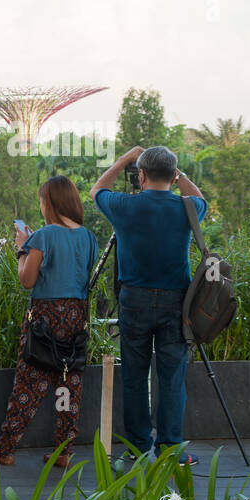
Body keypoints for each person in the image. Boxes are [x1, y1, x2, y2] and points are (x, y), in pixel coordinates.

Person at [90, 145, 208, 466]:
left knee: (134, 375)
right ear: (173, 175)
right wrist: (178, 174)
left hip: (135, 300)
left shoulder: (124, 205)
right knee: (171, 376)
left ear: (140, 175)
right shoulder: (187, 207)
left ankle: (138, 446)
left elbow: (97, 189)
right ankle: (170, 448)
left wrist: (124, 159)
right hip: (176, 302)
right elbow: (202, 198)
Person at [0, 177, 98, 467]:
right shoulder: (89, 237)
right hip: (76, 314)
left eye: (42, 202)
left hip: (45, 315)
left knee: (30, 379)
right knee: (68, 380)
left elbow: (27, 280)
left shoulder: (43, 235)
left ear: (49, 202)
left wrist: (21, 249)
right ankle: (64, 450)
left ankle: (5, 450)